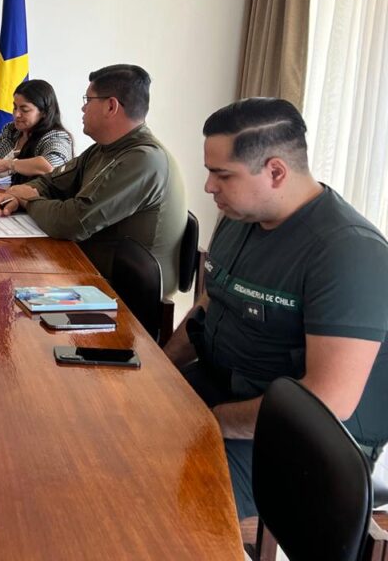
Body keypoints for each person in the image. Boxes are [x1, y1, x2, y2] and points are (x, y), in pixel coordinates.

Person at [163, 97, 388, 526]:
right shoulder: (240, 216)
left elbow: (328, 401)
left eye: (222, 174)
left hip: (304, 441)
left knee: (162, 499)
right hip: (221, 389)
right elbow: (212, 301)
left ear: (276, 172)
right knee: (114, 436)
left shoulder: (348, 252)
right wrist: (162, 369)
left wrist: (215, 421)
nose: (209, 186)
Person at [0, 64, 187, 293]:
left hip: (122, 292)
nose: (83, 108)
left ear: (111, 106)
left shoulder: (143, 160)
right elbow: (52, 181)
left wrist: (28, 200)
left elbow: (73, 222)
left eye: (88, 100)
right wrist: (18, 196)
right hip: (86, 266)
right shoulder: (102, 149)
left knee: (8, 282)